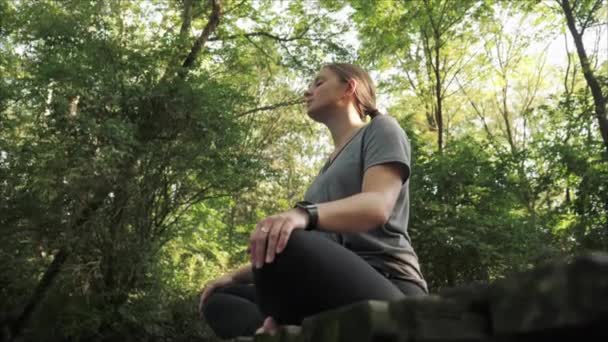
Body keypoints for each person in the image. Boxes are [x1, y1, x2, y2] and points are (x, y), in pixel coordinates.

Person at [198, 63, 427, 339]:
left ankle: (289, 329)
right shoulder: (325, 170)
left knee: (285, 237)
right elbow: (305, 247)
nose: (307, 91)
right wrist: (233, 276)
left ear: (349, 87)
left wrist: (303, 215)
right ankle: (282, 332)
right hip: (330, 291)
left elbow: (377, 205)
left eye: (319, 83)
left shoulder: (381, 129)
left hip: (390, 287)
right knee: (220, 297)